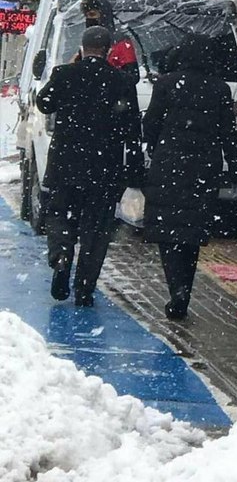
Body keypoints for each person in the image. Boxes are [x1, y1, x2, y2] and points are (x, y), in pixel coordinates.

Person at [37, 26, 143, 306]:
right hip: (104, 170)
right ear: (109, 51)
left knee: (60, 215)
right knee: (96, 230)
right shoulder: (121, 82)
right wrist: (133, 174)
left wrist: (68, 71)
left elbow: (43, 103)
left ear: (82, 48)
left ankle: (61, 256)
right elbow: (133, 132)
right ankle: (84, 288)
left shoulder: (65, 74)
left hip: (65, 167)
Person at [142, 35, 237, 320]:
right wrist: (236, 168)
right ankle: (184, 289)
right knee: (191, 231)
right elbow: (228, 133)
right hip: (203, 168)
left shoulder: (166, 84)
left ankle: (175, 287)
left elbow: (151, 123)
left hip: (169, 165)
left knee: (168, 230)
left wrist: (152, 143)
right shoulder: (219, 89)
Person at [79, 0, 140, 81]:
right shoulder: (86, 43)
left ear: (104, 15)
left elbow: (132, 76)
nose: (89, 19)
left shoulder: (121, 41)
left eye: (92, 14)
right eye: (87, 16)